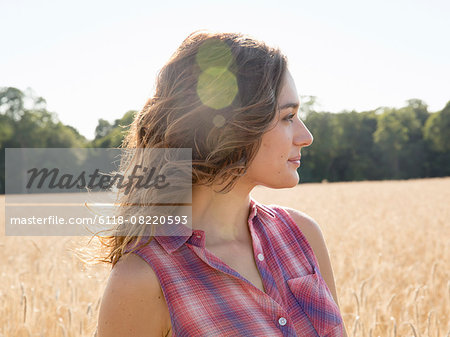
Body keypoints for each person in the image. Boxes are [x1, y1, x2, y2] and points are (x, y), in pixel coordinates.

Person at [96, 30, 348, 337]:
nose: (306, 136)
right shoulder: (143, 278)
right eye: (287, 117)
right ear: (231, 127)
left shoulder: (301, 234)